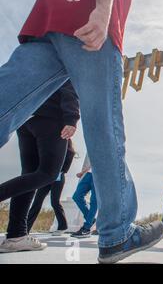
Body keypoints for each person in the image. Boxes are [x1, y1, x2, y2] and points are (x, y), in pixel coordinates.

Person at [0, 0, 163, 263]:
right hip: (87, 15)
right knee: (104, 126)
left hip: (49, 15)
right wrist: (103, 9)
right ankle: (118, 233)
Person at [0, 82, 80, 253]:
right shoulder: (67, 57)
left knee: (29, 176)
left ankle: (16, 236)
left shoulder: (35, 60)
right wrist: (71, 118)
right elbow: (68, 86)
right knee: (47, 174)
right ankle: (16, 235)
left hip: (26, 120)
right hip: (51, 119)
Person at [27, 139, 77, 237]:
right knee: (37, 201)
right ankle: (25, 229)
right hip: (47, 177)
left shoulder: (70, 152)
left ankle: (62, 226)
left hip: (58, 178)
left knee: (55, 202)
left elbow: (64, 169)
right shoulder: (52, 149)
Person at [71, 155, 97, 239]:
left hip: (100, 175)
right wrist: (83, 172)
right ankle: (91, 219)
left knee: (94, 201)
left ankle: (86, 228)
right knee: (77, 196)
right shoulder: (97, 145)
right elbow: (94, 161)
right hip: (89, 174)